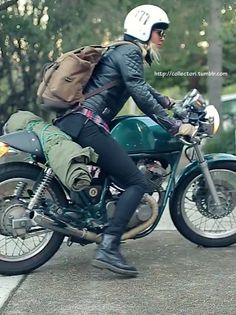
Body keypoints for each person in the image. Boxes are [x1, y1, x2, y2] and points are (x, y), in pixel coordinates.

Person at [55, 4, 195, 277]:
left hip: (75, 120)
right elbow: (140, 93)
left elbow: (142, 87)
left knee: (112, 176)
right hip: (87, 123)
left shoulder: (120, 51)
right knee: (137, 182)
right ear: (143, 29)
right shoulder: (130, 51)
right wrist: (174, 125)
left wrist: (170, 101)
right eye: (159, 30)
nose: (162, 37)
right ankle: (108, 247)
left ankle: (90, 219)